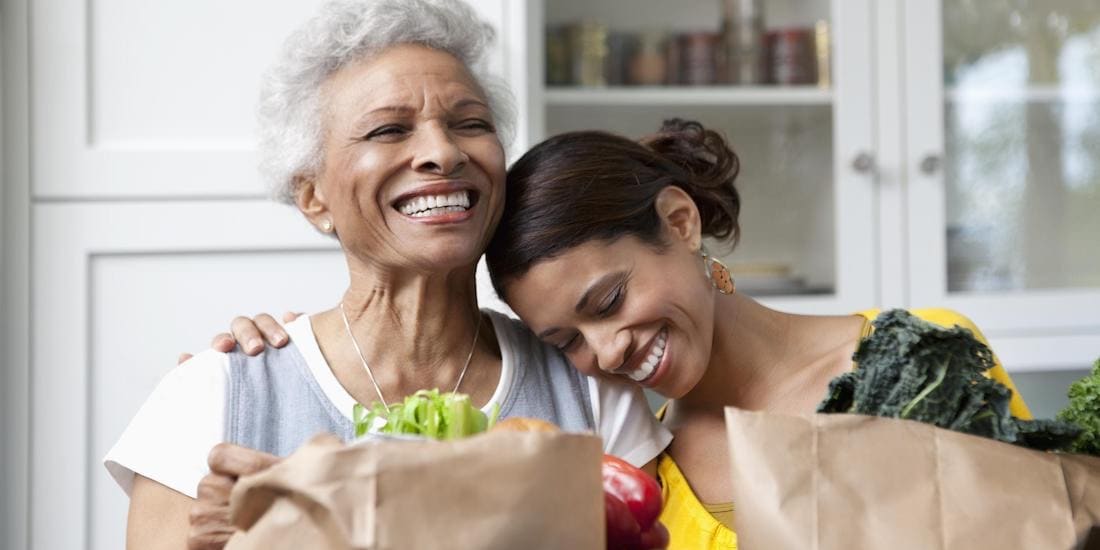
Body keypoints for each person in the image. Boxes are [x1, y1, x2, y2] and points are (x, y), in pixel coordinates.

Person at [219, 120, 1032, 550]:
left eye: (608, 299)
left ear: (679, 223)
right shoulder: (637, 470)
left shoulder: (922, 352)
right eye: (566, 339)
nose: (605, 353)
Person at [103, 2, 670, 549]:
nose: (443, 152)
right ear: (313, 197)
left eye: (470, 123)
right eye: (388, 131)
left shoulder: (592, 386)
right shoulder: (211, 395)